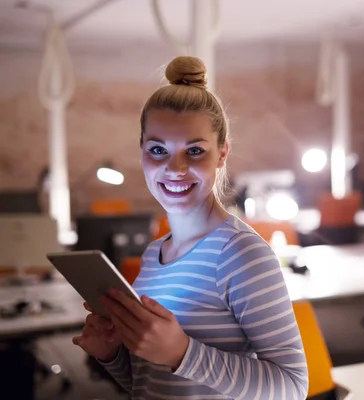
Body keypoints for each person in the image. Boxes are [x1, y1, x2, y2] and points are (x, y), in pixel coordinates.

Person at [72, 56, 309, 399]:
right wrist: (110, 353)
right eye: (158, 149)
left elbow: (293, 387)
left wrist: (182, 353)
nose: (175, 168)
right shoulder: (155, 254)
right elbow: (155, 385)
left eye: (195, 150)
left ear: (222, 153)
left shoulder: (242, 254)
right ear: (141, 152)